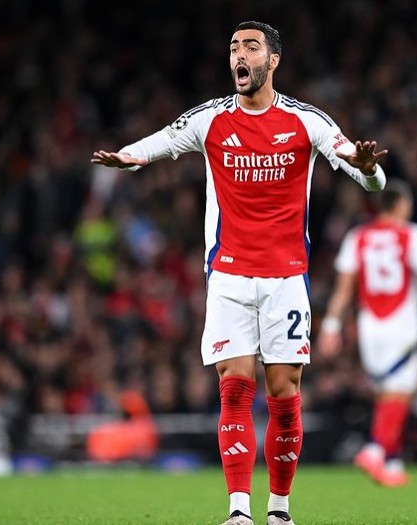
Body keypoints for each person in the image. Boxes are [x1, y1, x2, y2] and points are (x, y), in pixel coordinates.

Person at [92, 20, 387, 525]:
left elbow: (371, 181)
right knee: (233, 387)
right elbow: (166, 140)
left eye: (251, 47)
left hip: (286, 278)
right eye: (233, 48)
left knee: (284, 394)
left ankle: (280, 509)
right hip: (228, 276)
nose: (239, 56)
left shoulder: (306, 121)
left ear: (273, 60)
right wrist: (129, 158)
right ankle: (238, 510)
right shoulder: (211, 118)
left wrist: (368, 168)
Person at [317, 179, 417, 487]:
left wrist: (330, 326)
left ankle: (393, 463)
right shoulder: (413, 235)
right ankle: (374, 449)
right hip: (402, 323)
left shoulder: (357, 237)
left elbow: (344, 289)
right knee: (400, 392)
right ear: (401, 205)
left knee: (386, 392)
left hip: (370, 325)